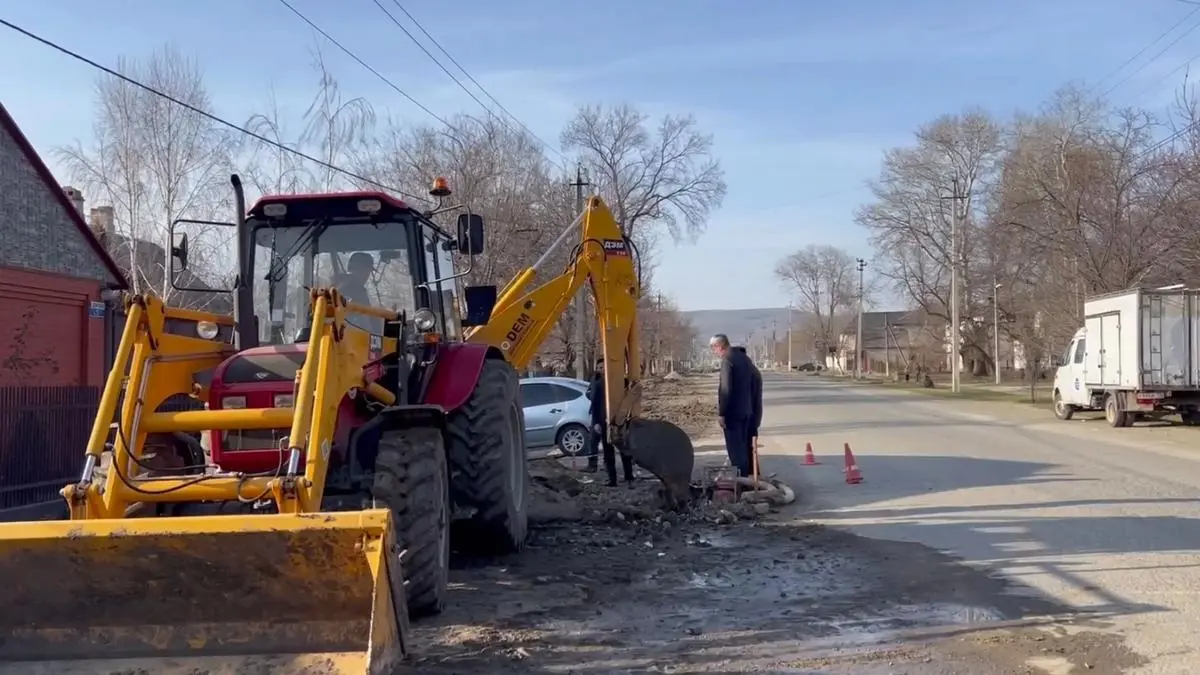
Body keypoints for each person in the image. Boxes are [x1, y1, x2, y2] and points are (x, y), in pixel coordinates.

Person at [585, 357, 634, 487]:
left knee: (623, 450)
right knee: (608, 451)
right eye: (599, 368)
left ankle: (628, 477)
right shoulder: (596, 382)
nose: (601, 370)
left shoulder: (619, 381)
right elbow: (593, 402)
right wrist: (595, 422)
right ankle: (613, 479)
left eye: (603, 367)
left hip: (618, 420)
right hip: (603, 421)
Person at [711, 334, 755, 477]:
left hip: (733, 413)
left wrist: (722, 413)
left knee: (736, 451)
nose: (714, 352)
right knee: (743, 447)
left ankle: (741, 482)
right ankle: (747, 478)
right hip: (747, 410)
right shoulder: (745, 359)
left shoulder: (727, 361)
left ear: (720, 346)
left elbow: (726, 389)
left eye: (714, 348)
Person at [732, 346, 764, 474]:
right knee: (751, 447)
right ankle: (753, 475)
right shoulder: (753, 370)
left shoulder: (745, 371)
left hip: (746, 414)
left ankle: (746, 477)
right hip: (754, 414)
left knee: (744, 448)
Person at [337, 252, 383, 334]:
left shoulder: (340, 285)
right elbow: (366, 319)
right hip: (352, 338)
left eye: (368, 271)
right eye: (364, 270)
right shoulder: (352, 289)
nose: (367, 275)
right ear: (355, 268)